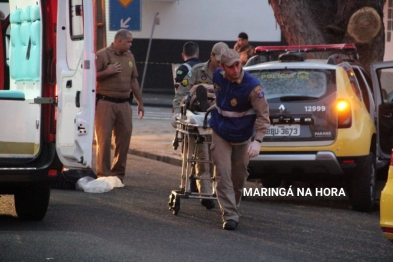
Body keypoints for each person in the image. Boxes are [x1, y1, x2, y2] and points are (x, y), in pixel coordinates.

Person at [209, 48, 270, 230]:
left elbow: (263, 115)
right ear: (222, 67)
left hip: (243, 137)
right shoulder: (218, 76)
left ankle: (233, 207)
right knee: (223, 173)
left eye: (238, 65)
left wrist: (257, 141)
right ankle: (229, 215)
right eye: (231, 67)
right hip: (221, 132)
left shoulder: (252, 87)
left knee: (239, 177)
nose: (235, 70)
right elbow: (218, 94)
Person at [171, 41, 229, 210]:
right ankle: (206, 194)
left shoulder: (228, 72)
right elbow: (181, 94)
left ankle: (213, 191)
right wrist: (177, 112)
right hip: (199, 122)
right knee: (203, 158)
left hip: (220, 121)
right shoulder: (197, 72)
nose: (220, 63)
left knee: (218, 160)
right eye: (218, 59)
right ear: (211, 56)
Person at [95, 29, 144, 182]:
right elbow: (90, 77)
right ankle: (104, 174)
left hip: (124, 103)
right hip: (105, 102)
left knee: (124, 139)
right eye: (128, 41)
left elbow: (134, 81)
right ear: (119, 41)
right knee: (104, 139)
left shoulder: (130, 57)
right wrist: (107, 72)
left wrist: (140, 102)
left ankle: (118, 175)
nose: (130, 44)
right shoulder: (102, 55)